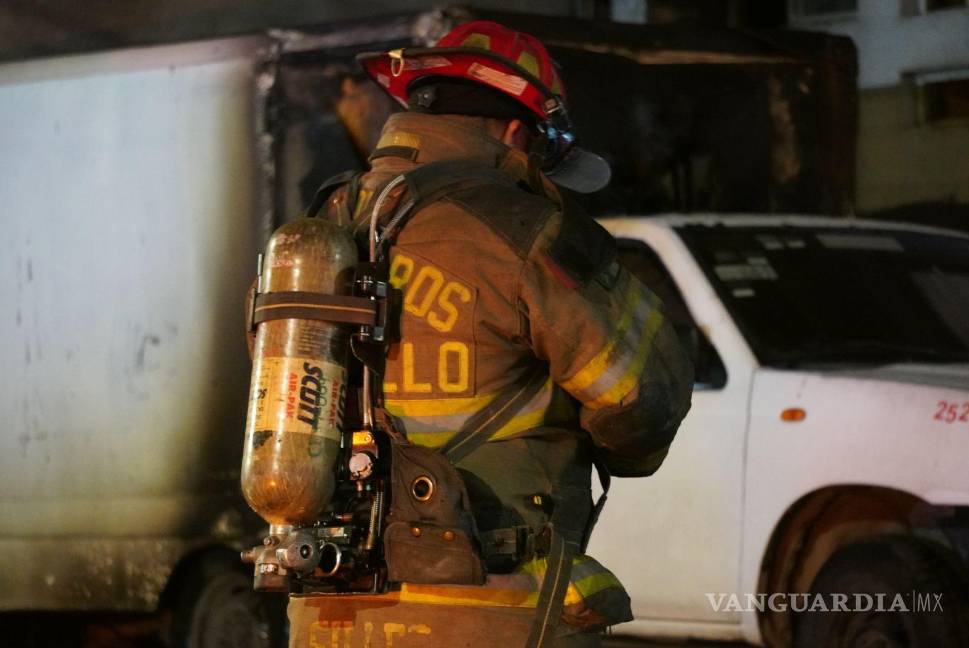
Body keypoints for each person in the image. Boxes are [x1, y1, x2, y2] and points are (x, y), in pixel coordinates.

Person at [286, 19, 693, 648]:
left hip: (331, 612)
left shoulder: (316, 235)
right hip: (491, 610)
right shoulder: (524, 228)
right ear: (515, 131)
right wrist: (620, 450)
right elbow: (641, 397)